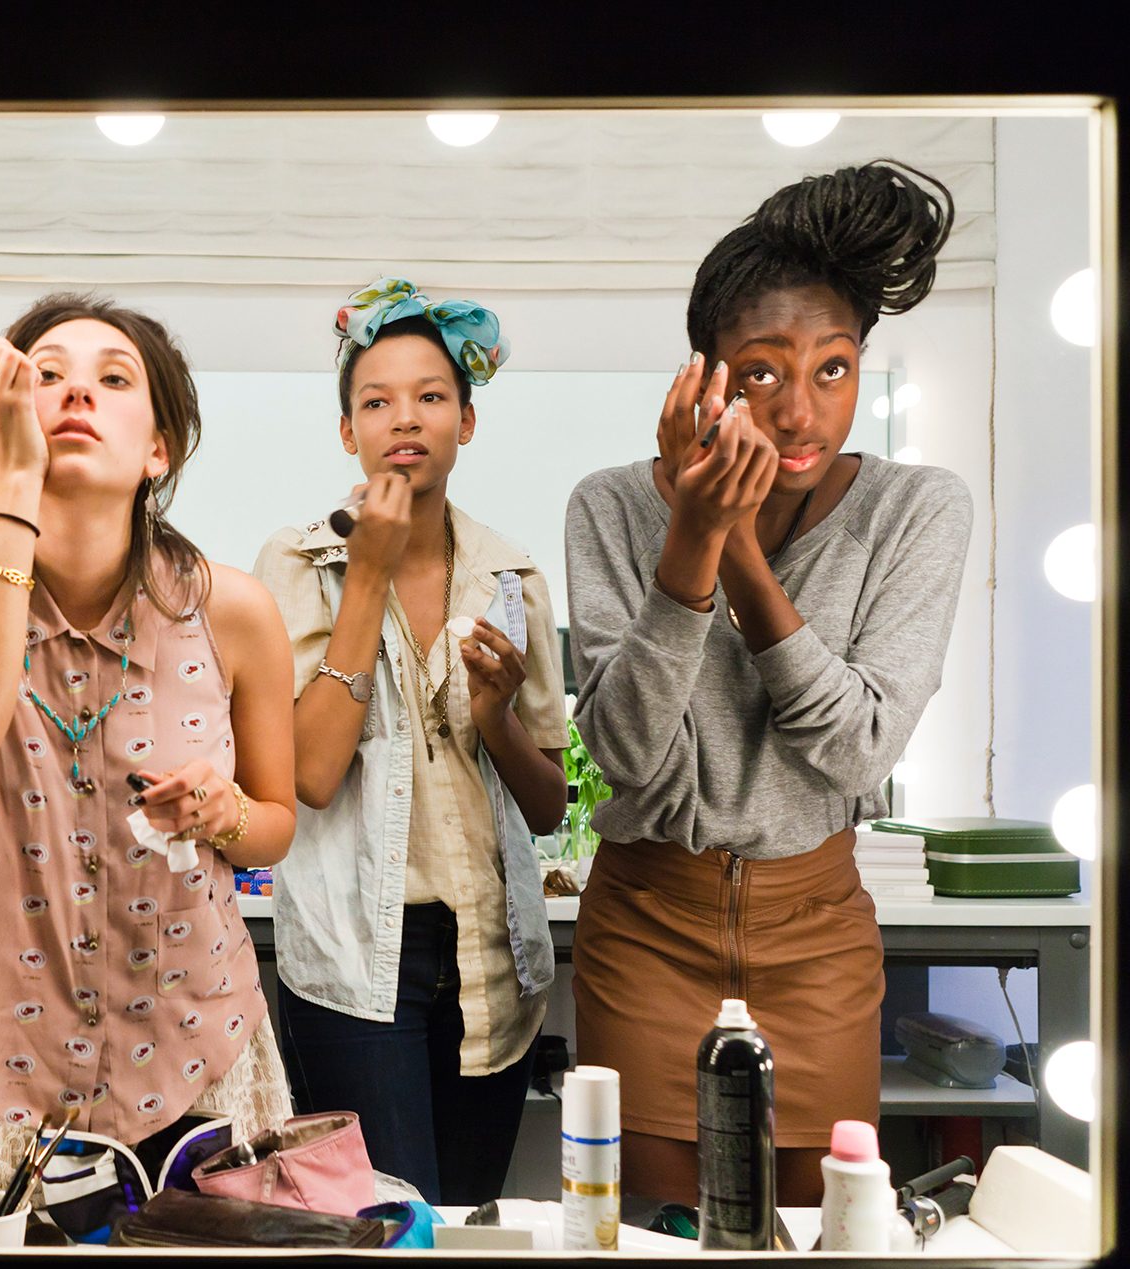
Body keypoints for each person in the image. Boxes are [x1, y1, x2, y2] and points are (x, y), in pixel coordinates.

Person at [564, 161, 970, 1205]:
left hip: (817, 935)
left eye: (833, 369)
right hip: (646, 924)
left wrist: (731, 544)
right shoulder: (610, 507)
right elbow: (624, 752)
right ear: (704, 380)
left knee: (813, 1246)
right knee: (649, 1241)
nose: (799, 412)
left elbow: (857, 748)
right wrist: (686, 541)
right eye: (760, 374)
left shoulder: (914, 510)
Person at [0, 292, 298, 1191]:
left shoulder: (232, 608)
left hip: (195, 1051)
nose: (77, 391)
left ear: (159, 449)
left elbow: (277, 823)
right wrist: (12, 481)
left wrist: (224, 811)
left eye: (114, 379)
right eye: (47, 375)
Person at [253, 279, 567, 1205]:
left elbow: (547, 806)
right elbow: (312, 774)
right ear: (346, 430)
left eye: (431, 396)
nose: (405, 418)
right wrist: (368, 576)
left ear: (466, 421)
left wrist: (497, 718)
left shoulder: (511, 576)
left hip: (490, 960)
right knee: (388, 1234)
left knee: (466, 1228)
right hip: (354, 960)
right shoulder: (296, 564)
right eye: (376, 400)